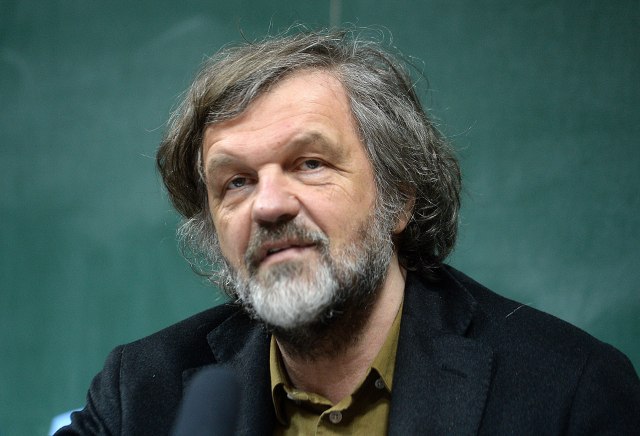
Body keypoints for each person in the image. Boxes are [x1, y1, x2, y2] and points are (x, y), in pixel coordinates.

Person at [57, 28, 640, 435]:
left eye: (310, 164)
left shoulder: (569, 391)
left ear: (398, 198)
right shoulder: (140, 394)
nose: (268, 205)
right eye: (236, 182)